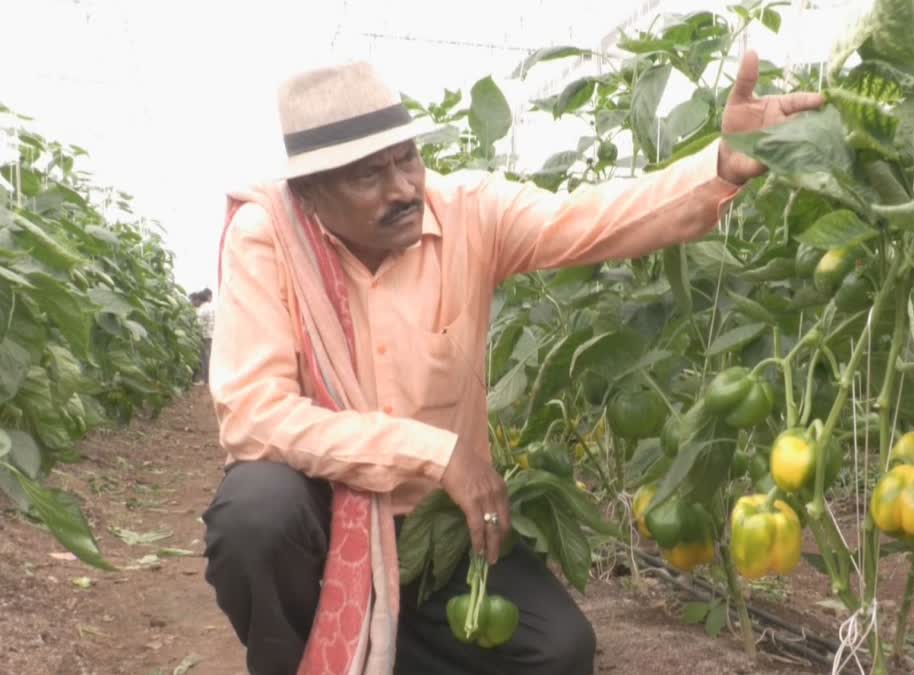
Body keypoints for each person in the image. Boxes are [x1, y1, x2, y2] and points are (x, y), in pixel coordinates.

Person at [201, 53, 823, 675]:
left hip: (435, 521)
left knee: (558, 650)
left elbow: (594, 220)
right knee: (257, 510)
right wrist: (434, 451)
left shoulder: (468, 211)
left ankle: (376, 654)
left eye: (407, 159)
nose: (404, 189)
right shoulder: (269, 239)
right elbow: (255, 415)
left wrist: (718, 166)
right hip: (324, 520)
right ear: (310, 193)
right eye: (369, 177)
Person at [194, 288, 215, 385]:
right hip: (212, 335)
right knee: (210, 357)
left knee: (204, 358)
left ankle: (206, 380)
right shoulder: (212, 307)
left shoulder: (201, 310)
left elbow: (198, 324)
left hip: (204, 336)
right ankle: (210, 379)